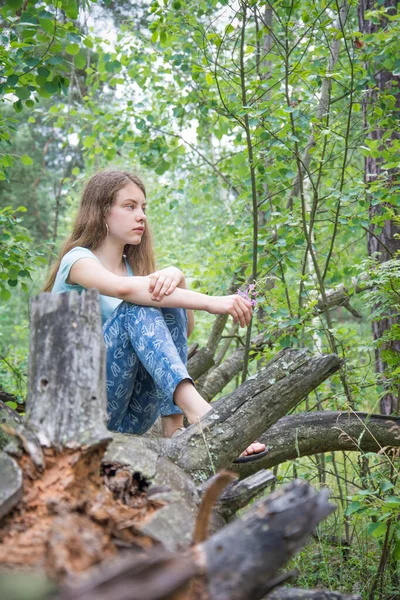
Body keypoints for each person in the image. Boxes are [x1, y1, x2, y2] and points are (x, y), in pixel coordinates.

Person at [44, 169, 267, 463]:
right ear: (101, 211)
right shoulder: (78, 261)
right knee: (140, 304)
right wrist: (213, 303)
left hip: (126, 417)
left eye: (143, 208)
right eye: (130, 206)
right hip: (80, 411)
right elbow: (124, 289)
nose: (142, 216)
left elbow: (181, 330)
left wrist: (178, 277)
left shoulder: (135, 272)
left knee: (164, 304)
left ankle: (173, 429)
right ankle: (202, 414)